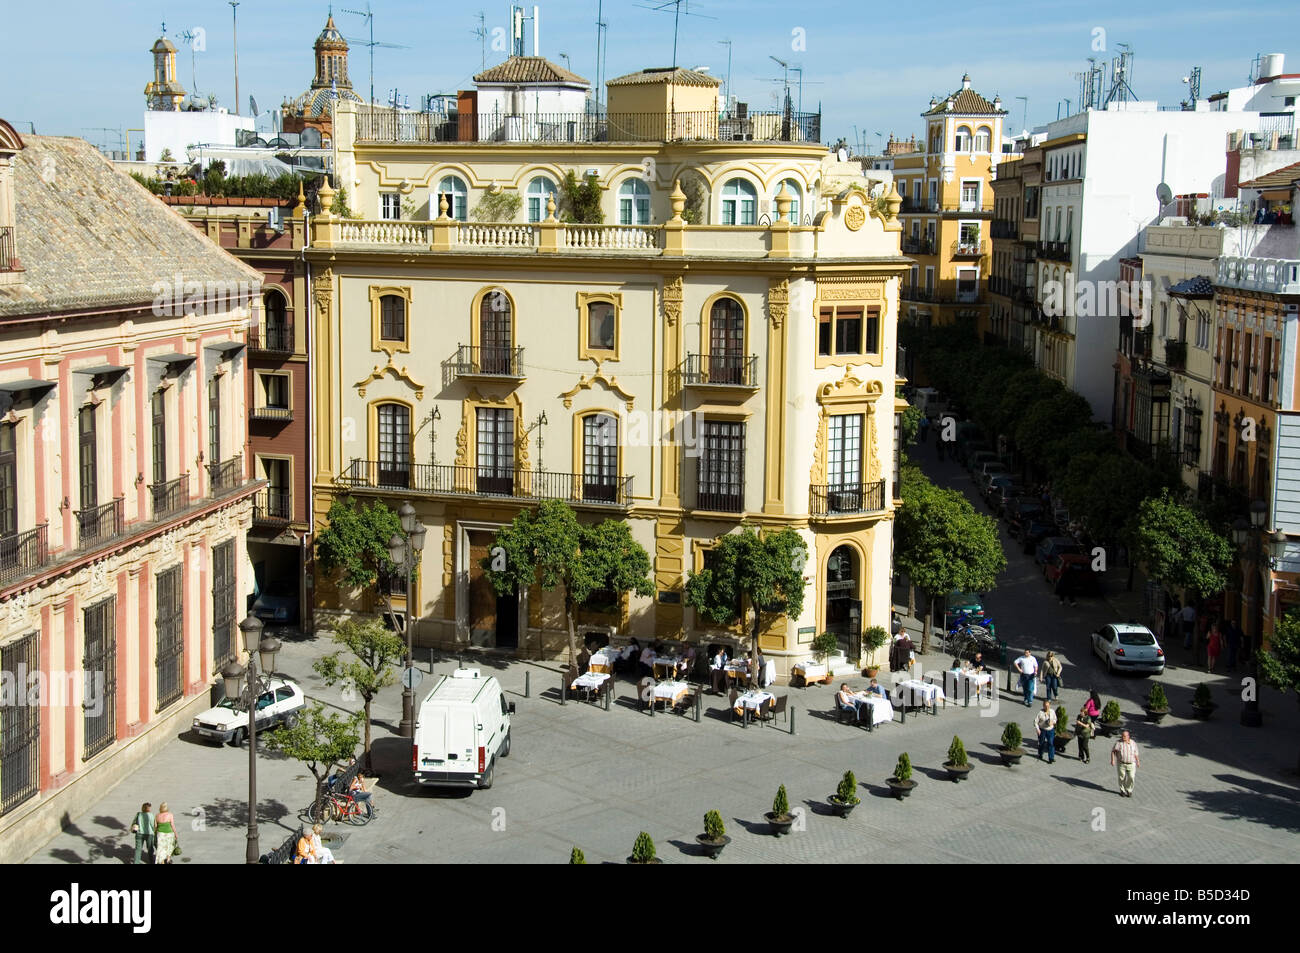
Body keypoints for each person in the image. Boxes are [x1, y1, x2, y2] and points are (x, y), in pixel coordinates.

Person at [1110, 729, 1140, 797]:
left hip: (1131, 763)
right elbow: (1113, 751)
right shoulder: (1119, 743)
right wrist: (1112, 760)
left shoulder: (1133, 743)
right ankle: (1122, 790)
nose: (1123, 737)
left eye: (1125, 736)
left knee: (1131, 777)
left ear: (1128, 736)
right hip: (1121, 763)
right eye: (1122, 736)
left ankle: (1129, 790)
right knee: (1122, 777)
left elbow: (1136, 753)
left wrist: (1138, 761)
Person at [1034, 699, 1057, 764]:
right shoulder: (1040, 713)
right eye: (1045, 706)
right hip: (1042, 730)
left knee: (1051, 743)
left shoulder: (1052, 711)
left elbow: (1055, 719)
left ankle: (1051, 758)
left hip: (1050, 730)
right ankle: (1040, 754)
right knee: (1041, 743)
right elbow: (1035, 722)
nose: (1047, 707)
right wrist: (1038, 730)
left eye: (1048, 706)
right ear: (1043, 706)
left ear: (1049, 706)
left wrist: (1052, 722)